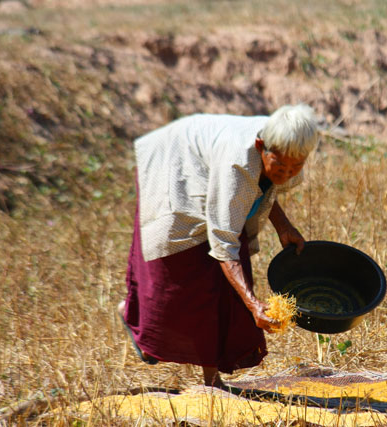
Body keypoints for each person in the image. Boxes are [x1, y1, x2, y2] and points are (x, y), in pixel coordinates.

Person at [117, 104, 318, 388]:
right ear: (261, 146)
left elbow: (264, 184)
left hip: (209, 160)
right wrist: (253, 304)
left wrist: (283, 226)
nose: (287, 173)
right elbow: (224, 243)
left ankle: (212, 381)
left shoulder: (287, 142)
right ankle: (134, 317)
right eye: (281, 166)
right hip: (173, 164)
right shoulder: (237, 162)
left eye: (296, 167)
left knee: (222, 287)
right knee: (182, 268)